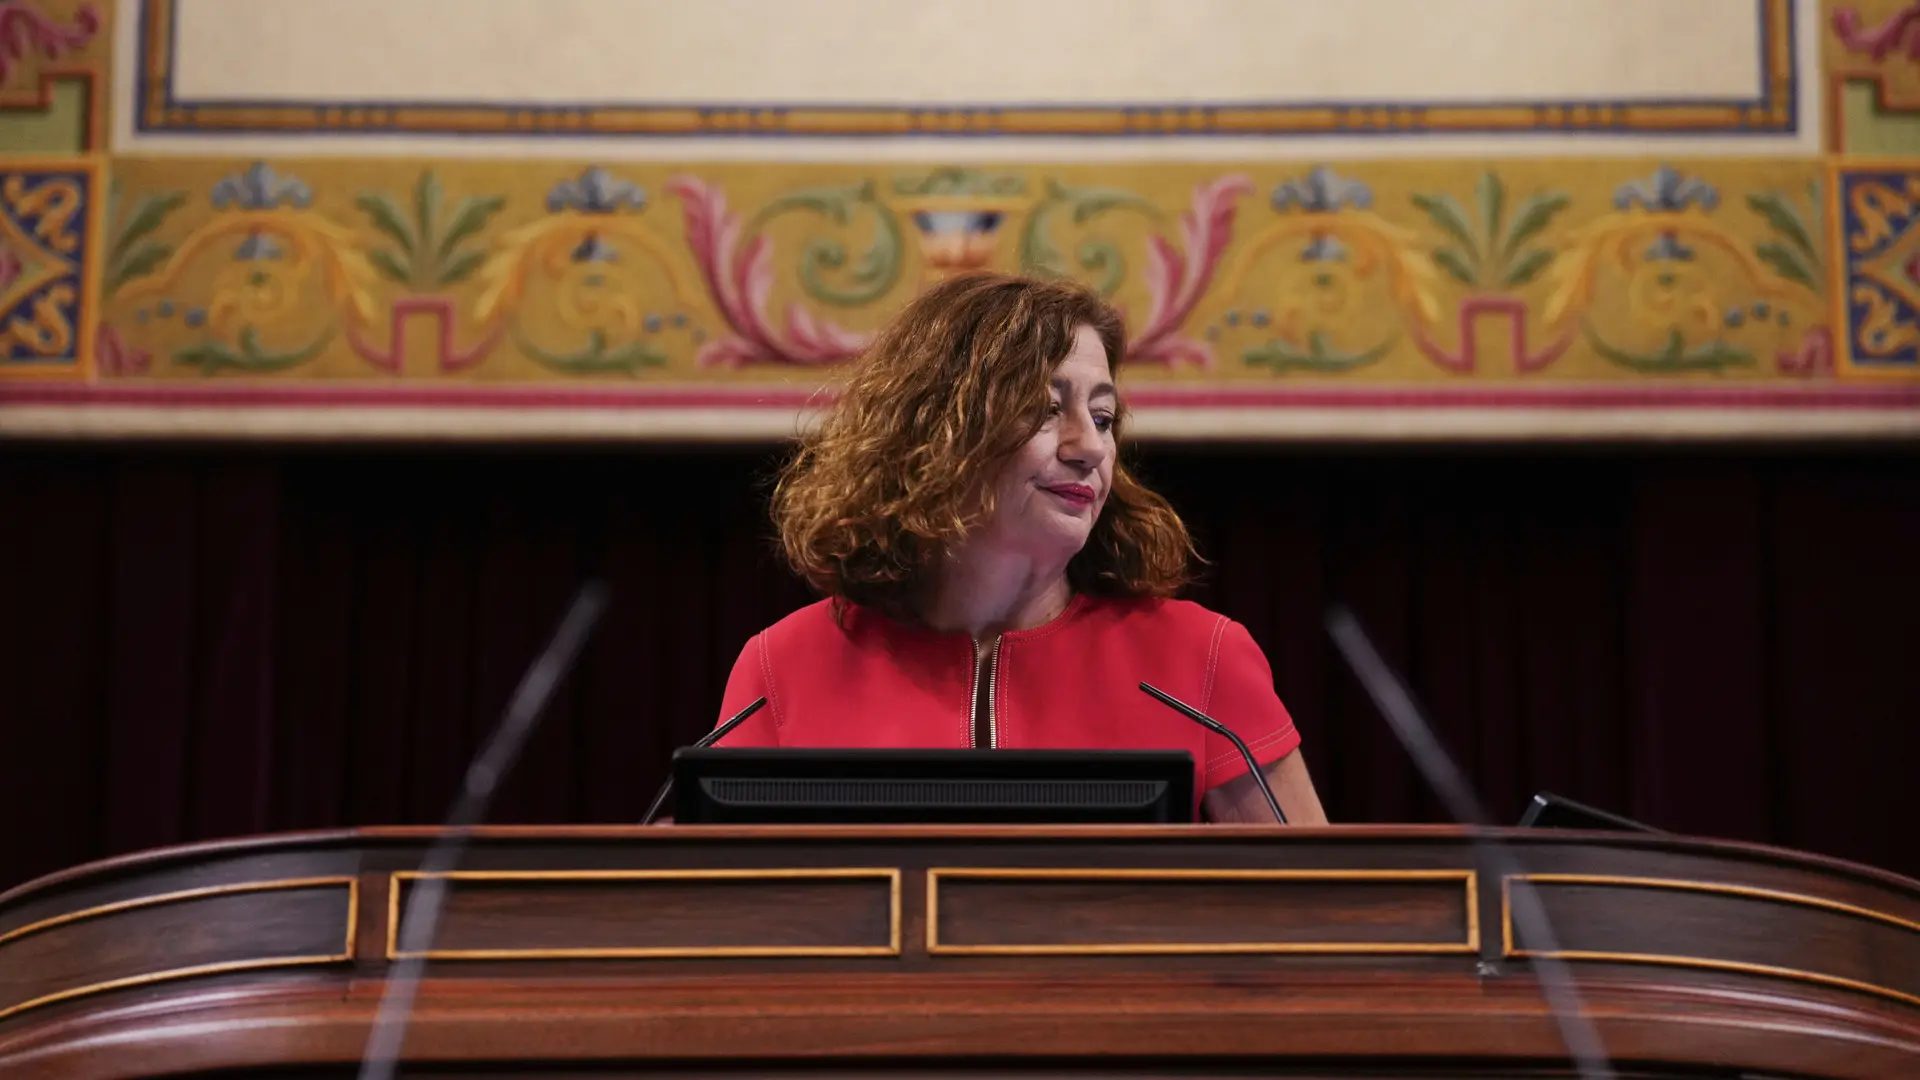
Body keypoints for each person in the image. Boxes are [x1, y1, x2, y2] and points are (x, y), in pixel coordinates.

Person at [711, 271, 1326, 824]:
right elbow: (713, 910)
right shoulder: (782, 665)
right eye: (1044, 410)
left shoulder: (1201, 658)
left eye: (1104, 417)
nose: (1088, 446)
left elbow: (1314, 914)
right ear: (937, 433)